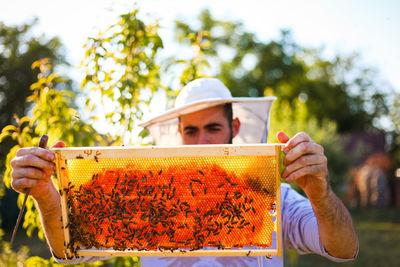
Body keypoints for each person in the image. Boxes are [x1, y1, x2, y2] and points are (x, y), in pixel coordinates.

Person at [10, 78, 358, 266]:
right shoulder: (141, 194)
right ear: (179, 133)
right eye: (191, 131)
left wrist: (320, 194)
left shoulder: (272, 197)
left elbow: (343, 249)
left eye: (213, 128)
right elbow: (69, 249)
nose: (202, 141)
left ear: (234, 126)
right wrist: (46, 195)